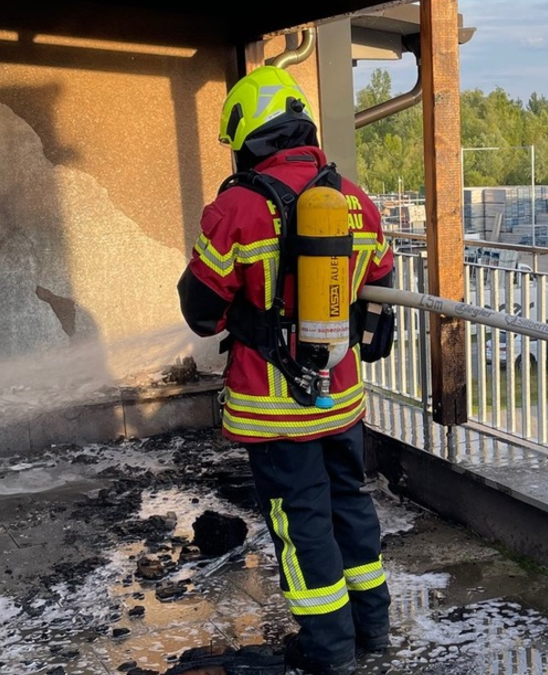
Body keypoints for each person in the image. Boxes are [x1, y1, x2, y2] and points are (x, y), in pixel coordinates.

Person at [178, 64, 395, 675]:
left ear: (251, 133)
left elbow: (201, 312)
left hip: (273, 407)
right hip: (340, 395)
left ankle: (327, 650)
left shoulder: (238, 208)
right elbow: (380, 285)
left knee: (301, 523)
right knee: (349, 502)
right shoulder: (352, 199)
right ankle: (372, 629)